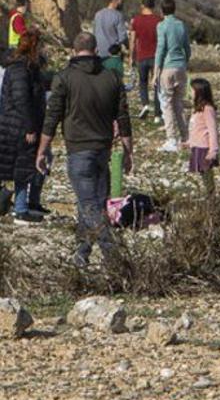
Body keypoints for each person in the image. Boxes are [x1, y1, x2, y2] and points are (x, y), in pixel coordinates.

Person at [37, 32, 132, 268]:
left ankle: (115, 259)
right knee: (89, 203)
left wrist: (42, 150)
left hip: (79, 149)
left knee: (90, 206)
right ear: (96, 50)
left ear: (73, 50)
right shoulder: (112, 77)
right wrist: (128, 151)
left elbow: (52, 117)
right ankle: (81, 254)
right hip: (103, 150)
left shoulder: (64, 77)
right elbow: (123, 117)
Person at [0, 30, 47, 223]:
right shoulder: (20, 69)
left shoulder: (26, 68)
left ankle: (22, 206)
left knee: (19, 166)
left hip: (16, 124)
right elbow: (22, 99)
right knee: (22, 166)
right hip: (18, 126)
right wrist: (30, 127)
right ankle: (20, 209)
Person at [153, 0, 190, 153]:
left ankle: (171, 139)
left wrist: (156, 71)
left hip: (167, 67)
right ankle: (186, 137)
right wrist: (185, 62)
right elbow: (187, 48)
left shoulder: (162, 26)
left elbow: (160, 49)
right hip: (181, 66)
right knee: (179, 104)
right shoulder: (181, 25)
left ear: (162, 11)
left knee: (166, 104)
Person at [129, 0, 162, 120]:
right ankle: (157, 114)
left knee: (142, 82)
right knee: (157, 84)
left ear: (142, 5)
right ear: (153, 6)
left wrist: (131, 56)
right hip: (155, 56)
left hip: (141, 55)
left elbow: (133, 40)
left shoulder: (136, 20)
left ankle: (145, 104)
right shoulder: (159, 20)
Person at [187, 77, 220, 194]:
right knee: (202, 172)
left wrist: (213, 150)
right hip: (197, 146)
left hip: (205, 147)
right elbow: (195, 129)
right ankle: (209, 194)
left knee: (206, 172)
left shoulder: (207, 109)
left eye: (192, 91)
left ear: (199, 93)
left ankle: (211, 195)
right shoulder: (197, 109)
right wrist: (189, 142)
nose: (190, 93)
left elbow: (212, 130)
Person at [93, 0, 128, 68]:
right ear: (116, 1)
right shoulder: (118, 15)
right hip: (113, 54)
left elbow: (94, 33)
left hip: (99, 53)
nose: (123, 4)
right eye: (122, 1)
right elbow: (122, 37)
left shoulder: (98, 14)